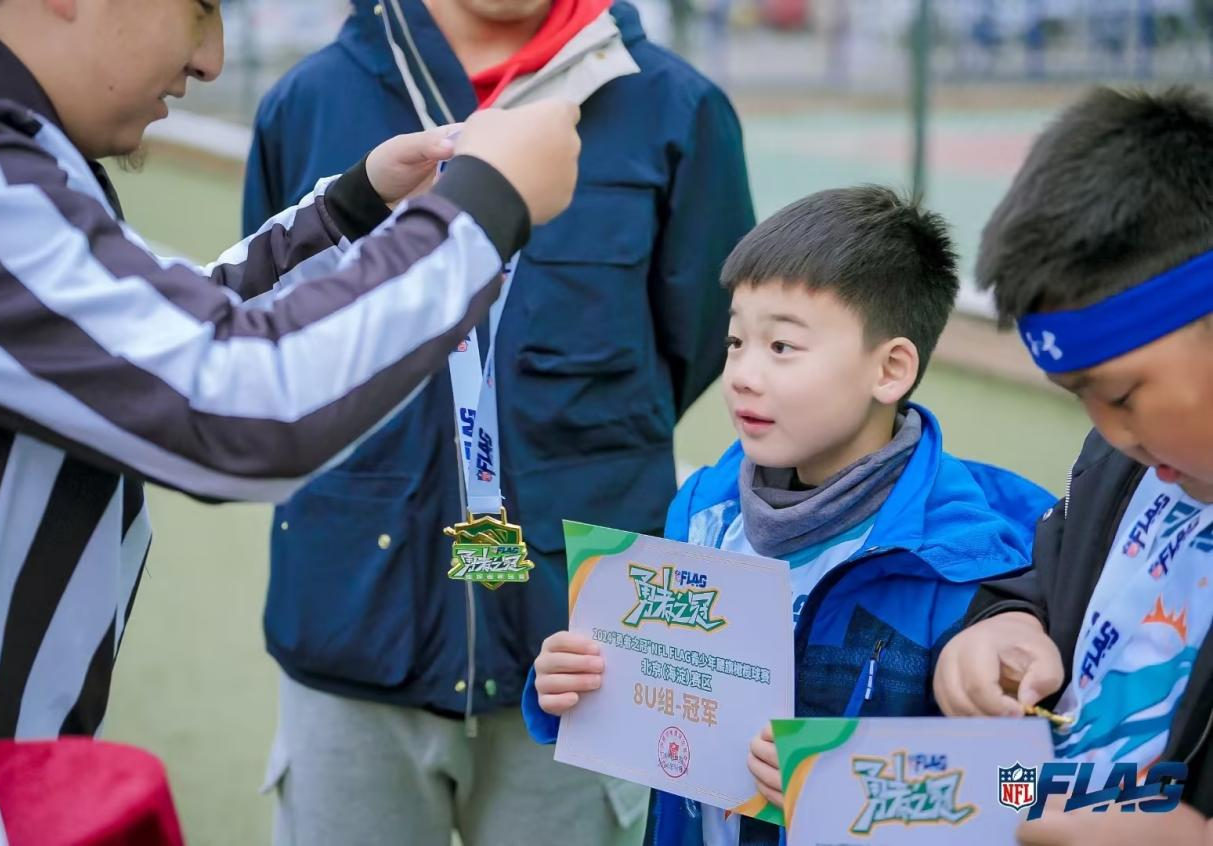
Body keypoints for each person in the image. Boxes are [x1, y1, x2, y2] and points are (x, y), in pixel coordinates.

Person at [0, 0, 581, 740]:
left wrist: (351, 211)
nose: (211, 60)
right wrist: (483, 206)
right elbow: (239, 404)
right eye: (201, 8)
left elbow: (159, 338)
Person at [244, 1, 754, 844]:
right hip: (351, 624)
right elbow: (269, 338)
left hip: (580, 651)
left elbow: (698, 342)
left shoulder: (676, 107)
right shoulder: (309, 103)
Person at [526, 186, 1055, 845]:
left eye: (781, 346)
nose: (742, 375)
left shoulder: (969, 565)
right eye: (735, 341)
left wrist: (853, 790)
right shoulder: (705, 509)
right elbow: (667, 716)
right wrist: (575, 684)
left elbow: (1016, 792)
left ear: (889, 369)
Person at [932, 86, 1213, 845]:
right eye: (1078, 399)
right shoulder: (1118, 464)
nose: (1107, 431)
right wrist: (1002, 627)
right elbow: (1050, 580)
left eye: (1120, 395)